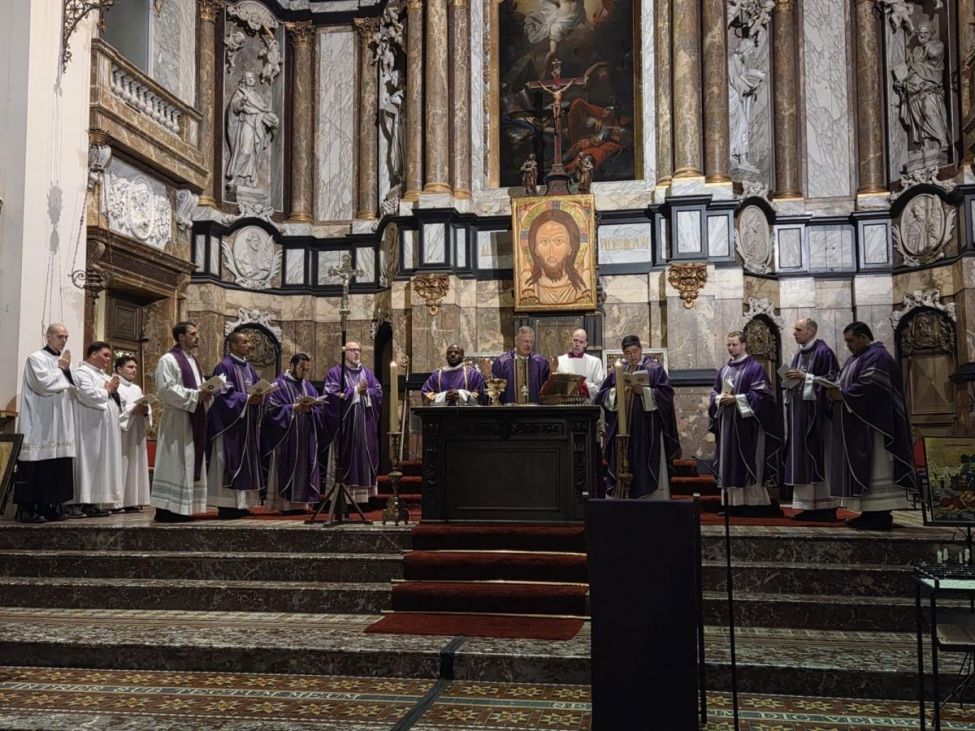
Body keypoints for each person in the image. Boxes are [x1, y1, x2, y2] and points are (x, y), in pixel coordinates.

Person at [826, 322, 916, 530]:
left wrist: (843, 394)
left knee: (877, 468)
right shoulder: (855, 359)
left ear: (863, 337)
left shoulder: (878, 356)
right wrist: (833, 392)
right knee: (866, 470)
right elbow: (844, 383)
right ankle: (868, 513)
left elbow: (872, 386)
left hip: (876, 427)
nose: (848, 345)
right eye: (846, 341)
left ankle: (880, 514)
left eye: (851, 341)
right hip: (859, 425)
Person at [595, 335, 680, 499]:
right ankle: (623, 494)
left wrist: (645, 392)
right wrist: (617, 392)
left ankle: (649, 497)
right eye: (628, 353)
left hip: (647, 428)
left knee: (644, 460)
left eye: (635, 351)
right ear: (623, 353)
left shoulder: (654, 368)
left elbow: (666, 394)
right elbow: (602, 395)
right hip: (623, 427)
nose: (632, 356)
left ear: (641, 350)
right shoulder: (618, 371)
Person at [709, 331, 783, 516]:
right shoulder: (724, 370)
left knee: (748, 462)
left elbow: (764, 397)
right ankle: (731, 504)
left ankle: (753, 503)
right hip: (727, 426)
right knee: (729, 462)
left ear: (744, 345)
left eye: (734, 344)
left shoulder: (755, 368)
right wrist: (718, 399)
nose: (731, 348)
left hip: (748, 428)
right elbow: (714, 393)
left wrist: (737, 399)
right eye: (728, 345)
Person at [15, 323, 77, 523]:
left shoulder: (63, 363)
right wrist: (61, 369)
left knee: (55, 465)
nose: (64, 340)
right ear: (48, 336)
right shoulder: (36, 358)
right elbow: (43, 385)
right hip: (39, 422)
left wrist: (65, 370)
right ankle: (27, 509)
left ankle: (48, 505)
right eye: (60, 336)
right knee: (36, 465)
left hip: (59, 423)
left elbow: (72, 388)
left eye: (66, 337)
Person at [151, 322, 213, 523]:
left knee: (188, 461)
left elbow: (199, 388)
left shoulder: (193, 361)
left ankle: (182, 508)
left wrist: (208, 393)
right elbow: (165, 389)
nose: (197, 337)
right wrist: (196, 395)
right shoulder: (168, 360)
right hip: (177, 419)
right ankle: (165, 509)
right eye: (193, 334)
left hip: (193, 417)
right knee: (174, 462)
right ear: (180, 337)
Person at [782, 318, 840, 521]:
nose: (794, 333)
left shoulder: (824, 352)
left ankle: (827, 506)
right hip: (800, 416)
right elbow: (794, 381)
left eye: (798, 329)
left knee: (819, 457)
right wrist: (789, 381)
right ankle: (808, 506)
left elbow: (833, 381)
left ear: (811, 331)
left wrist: (805, 377)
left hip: (818, 418)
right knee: (802, 459)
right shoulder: (799, 355)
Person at [207, 331, 267, 519]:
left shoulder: (249, 368)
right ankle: (226, 505)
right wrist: (248, 398)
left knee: (247, 464)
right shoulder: (224, 366)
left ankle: (243, 504)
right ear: (233, 345)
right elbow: (222, 394)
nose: (249, 345)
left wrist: (261, 396)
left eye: (249, 342)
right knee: (227, 462)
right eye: (245, 342)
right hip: (230, 426)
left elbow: (256, 389)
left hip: (247, 424)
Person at [263, 353, 332, 514]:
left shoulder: (308, 387)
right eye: (302, 368)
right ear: (292, 366)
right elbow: (271, 410)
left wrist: (312, 409)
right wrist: (293, 408)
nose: (304, 373)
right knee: (285, 469)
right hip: (286, 438)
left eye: (307, 370)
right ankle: (284, 505)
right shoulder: (278, 385)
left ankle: (302, 504)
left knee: (305, 467)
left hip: (305, 437)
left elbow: (319, 408)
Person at [323, 341, 383, 505]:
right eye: (353, 350)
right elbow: (331, 396)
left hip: (365, 426)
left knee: (365, 456)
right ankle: (344, 498)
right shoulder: (335, 373)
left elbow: (378, 392)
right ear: (344, 353)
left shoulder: (367, 373)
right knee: (346, 457)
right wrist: (356, 390)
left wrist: (367, 392)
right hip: (346, 428)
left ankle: (365, 498)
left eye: (358, 350)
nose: (357, 353)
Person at [67, 342, 123, 518]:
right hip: (89, 428)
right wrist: (107, 390)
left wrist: (112, 392)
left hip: (103, 429)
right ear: (92, 354)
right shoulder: (82, 372)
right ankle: (77, 502)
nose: (108, 359)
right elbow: (87, 394)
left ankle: (92, 502)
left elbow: (113, 399)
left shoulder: (103, 375)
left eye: (109, 356)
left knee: (99, 464)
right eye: (105, 355)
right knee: (87, 462)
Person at [522, 209, 592, 306]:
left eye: (558, 241)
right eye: (544, 241)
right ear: (535, 249)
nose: (552, 251)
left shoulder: (582, 290)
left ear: (570, 248)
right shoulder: (530, 290)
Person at [115, 355, 151, 513]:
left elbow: (144, 407)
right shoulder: (114, 385)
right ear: (119, 369)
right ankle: (117, 502)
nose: (134, 370)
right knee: (121, 464)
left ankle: (132, 500)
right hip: (122, 432)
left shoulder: (136, 388)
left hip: (136, 431)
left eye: (135, 367)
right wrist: (132, 410)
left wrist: (146, 410)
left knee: (135, 465)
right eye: (130, 367)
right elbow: (115, 410)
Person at [491, 326, 551, 404]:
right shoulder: (502, 362)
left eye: (531, 342)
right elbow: (493, 389)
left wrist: (552, 370)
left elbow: (548, 388)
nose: (529, 345)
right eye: (526, 341)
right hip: (508, 410)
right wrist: (488, 374)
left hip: (535, 410)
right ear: (516, 341)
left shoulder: (540, 362)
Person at [421, 344, 486, 406]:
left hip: (466, 413)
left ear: (463, 356)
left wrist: (462, 395)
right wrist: (444, 396)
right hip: (442, 413)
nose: (452, 354)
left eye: (456, 352)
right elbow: (426, 395)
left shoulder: (473, 374)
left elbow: (481, 396)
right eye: (449, 353)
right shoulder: (436, 375)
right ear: (446, 357)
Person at [555, 328, 604, 401]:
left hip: (586, 404)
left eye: (581, 342)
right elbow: (555, 386)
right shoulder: (559, 361)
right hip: (564, 403)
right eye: (575, 340)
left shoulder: (595, 362)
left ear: (585, 344)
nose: (577, 344)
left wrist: (582, 386)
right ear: (571, 340)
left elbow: (599, 387)